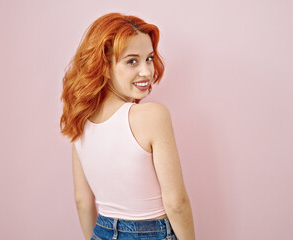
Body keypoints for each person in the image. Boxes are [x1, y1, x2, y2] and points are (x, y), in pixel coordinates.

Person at [60, 13, 195, 240]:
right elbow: (176, 203)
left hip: (100, 231)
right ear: (103, 65)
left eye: (149, 58)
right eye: (132, 61)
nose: (147, 71)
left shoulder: (79, 121)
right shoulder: (152, 115)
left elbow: (82, 201)